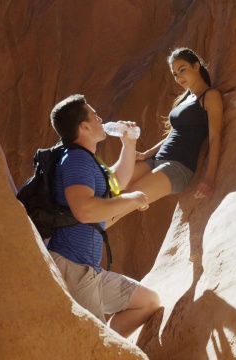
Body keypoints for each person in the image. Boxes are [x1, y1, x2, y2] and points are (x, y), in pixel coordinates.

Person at [47, 94, 161, 338]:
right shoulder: (76, 160)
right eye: (94, 115)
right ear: (84, 126)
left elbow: (118, 181)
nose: (101, 119)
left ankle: (113, 347)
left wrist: (128, 145)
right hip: (73, 269)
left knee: (147, 301)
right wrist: (132, 199)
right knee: (89, 343)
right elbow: (85, 210)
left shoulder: (87, 160)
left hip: (89, 270)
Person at [107, 47, 223, 226]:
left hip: (177, 167)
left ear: (196, 66)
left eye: (182, 70)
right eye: (175, 74)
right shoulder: (187, 98)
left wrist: (209, 177)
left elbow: (215, 137)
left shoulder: (210, 96)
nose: (179, 78)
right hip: (156, 160)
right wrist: (146, 154)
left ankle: (75, 246)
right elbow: (173, 134)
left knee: (122, 202)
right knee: (110, 187)